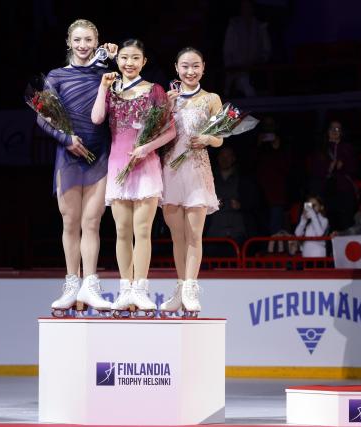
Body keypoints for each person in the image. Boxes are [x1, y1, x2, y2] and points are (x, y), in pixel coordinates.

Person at [36, 19, 118, 316]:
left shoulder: (106, 74)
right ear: (68, 43)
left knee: (92, 223)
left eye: (89, 40)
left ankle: (91, 284)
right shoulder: (56, 76)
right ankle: (71, 284)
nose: (83, 46)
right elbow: (42, 117)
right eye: (78, 40)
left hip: (100, 155)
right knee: (70, 223)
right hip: (68, 157)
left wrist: (116, 59)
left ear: (97, 43)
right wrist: (66, 139)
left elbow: (123, 98)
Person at [91, 39, 176, 316]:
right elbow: (96, 119)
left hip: (146, 166)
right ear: (119, 61)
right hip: (118, 167)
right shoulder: (110, 90)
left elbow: (170, 131)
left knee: (142, 232)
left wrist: (146, 148)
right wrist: (103, 87)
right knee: (122, 232)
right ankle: (124, 288)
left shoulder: (155, 91)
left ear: (144, 62)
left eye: (135, 58)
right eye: (125, 58)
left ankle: (141, 288)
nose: (129, 63)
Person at [159, 47, 223, 316]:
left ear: (204, 67)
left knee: (194, 235)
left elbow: (220, 138)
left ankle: (191, 288)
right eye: (185, 66)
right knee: (178, 237)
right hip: (171, 171)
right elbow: (155, 134)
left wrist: (208, 139)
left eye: (195, 66)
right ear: (176, 67)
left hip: (197, 170)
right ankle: (180, 286)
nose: (190, 71)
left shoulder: (211, 99)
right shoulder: (166, 98)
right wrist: (166, 109)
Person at [307, 120, 357, 231]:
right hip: (325, 192)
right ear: (327, 131)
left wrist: (343, 164)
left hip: (344, 192)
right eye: (332, 128)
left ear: (342, 132)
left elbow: (353, 168)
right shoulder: (320, 149)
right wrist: (329, 167)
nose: (335, 131)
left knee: (345, 222)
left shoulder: (347, 148)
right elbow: (315, 171)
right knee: (326, 222)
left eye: (338, 129)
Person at [223, 0, 271, 97]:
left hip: (255, 70)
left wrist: (259, 61)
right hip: (236, 69)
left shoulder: (260, 27)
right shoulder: (234, 26)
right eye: (244, 7)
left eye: (249, 7)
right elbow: (228, 50)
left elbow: (266, 50)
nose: (246, 10)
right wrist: (231, 67)